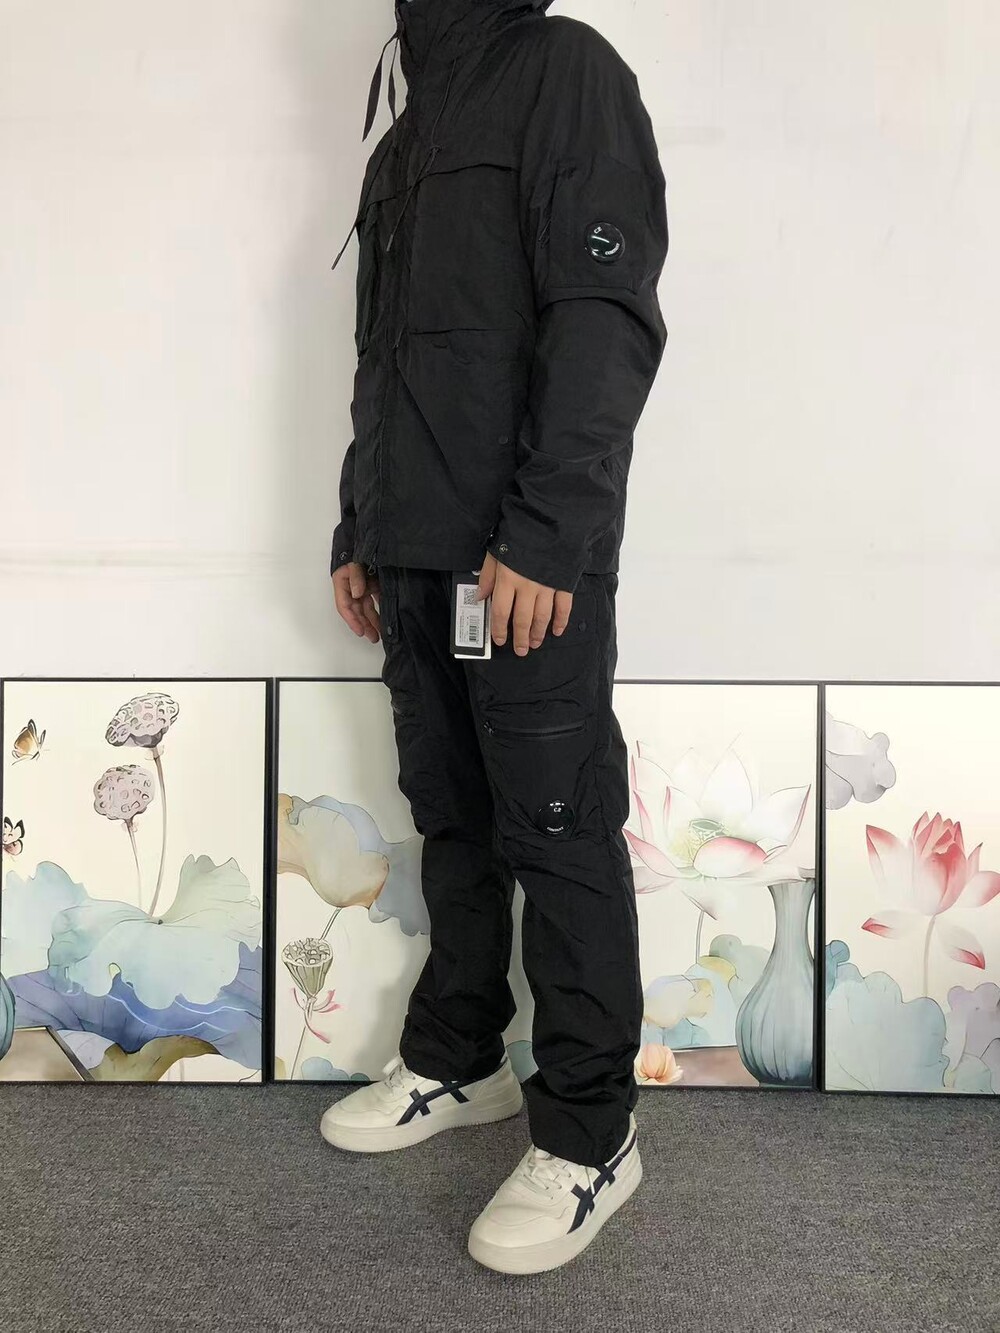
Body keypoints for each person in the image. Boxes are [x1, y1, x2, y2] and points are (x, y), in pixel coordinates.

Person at [325, 0, 668, 1276]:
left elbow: (603, 318)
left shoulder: (564, 70)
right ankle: (459, 1059)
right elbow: (382, 357)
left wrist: (547, 534)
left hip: (518, 560)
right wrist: (358, 525)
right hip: (414, 556)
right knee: (454, 819)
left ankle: (590, 1134)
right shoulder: (405, 135)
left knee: (558, 831)